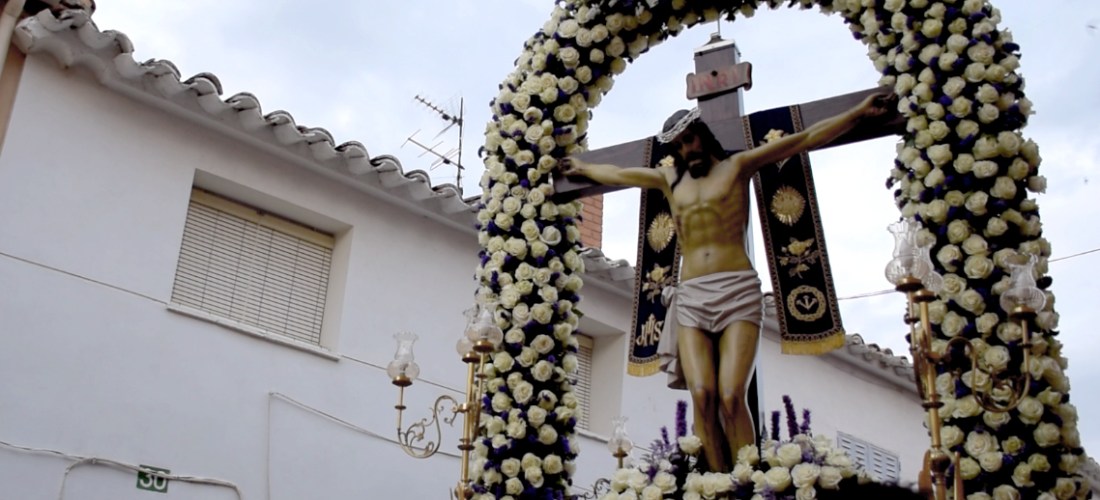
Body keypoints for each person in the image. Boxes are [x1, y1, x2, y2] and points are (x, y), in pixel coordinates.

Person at [558, 93, 892, 472]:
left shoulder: (738, 166)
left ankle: (747, 479)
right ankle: (718, 485)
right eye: (680, 145)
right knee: (702, 395)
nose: (687, 149)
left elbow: (805, 138)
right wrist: (582, 169)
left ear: (703, 134)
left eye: (691, 139)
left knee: (733, 395)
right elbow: (619, 175)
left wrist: (860, 113)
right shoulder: (670, 181)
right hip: (692, 297)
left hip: (736, 289)